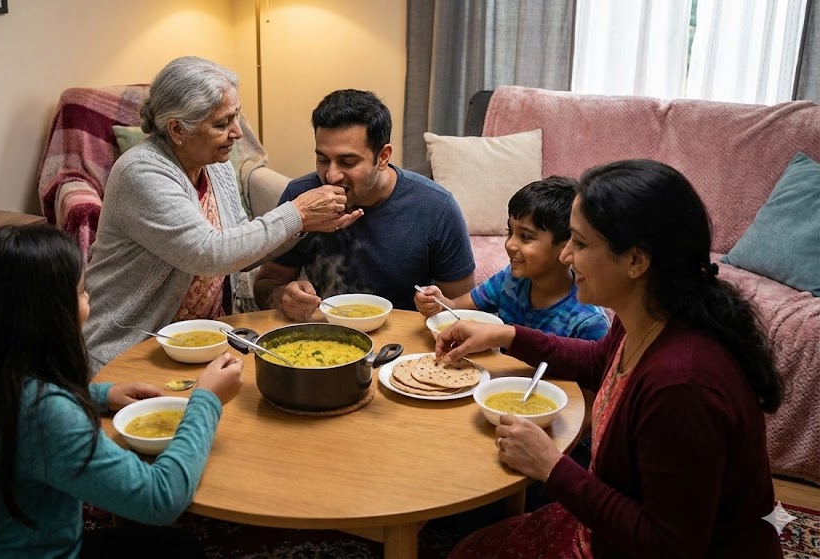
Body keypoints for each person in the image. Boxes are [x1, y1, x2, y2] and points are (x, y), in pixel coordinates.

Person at [436, 160, 783, 558]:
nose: (566, 256)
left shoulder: (683, 386)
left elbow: (670, 544)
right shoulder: (648, 317)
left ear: (636, 260)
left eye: (580, 243)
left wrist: (552, 467)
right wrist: (508, 334)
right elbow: (599, 361)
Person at [0, 225, 244, 559]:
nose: (88, 301)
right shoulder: (43, 412)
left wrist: (99, 396)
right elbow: (161, 499)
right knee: (180, 549)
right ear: (50, 312)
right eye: (83, 291)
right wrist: (207, 400)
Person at [83, 56, 361, 372]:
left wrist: (306, 224)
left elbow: (242, 249)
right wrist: (297, 212)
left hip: (205, 342)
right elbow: (210, 253)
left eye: (236, 117)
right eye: (221, 123)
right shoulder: (142, 172)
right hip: (132, 348)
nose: (237, 133)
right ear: (177, 129)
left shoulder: (214, 164)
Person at [254, 89, 476, 319]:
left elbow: (463, 311)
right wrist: (283, 296)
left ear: (383, 157)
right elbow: (265, 285)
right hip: (325, 337)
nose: (331, 175)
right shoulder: (300, 197)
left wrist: (439, 305)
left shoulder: (436, 207)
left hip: (408, 342)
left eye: (347, 161)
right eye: (322, 159)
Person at [415, 176, 609, 341]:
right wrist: (439, 303)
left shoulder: (589, 321)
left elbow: (591, 383)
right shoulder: (510, 280)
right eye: (510, 232)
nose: (510, 244)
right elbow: (457, 308)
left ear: (566, 245)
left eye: (525, 236)